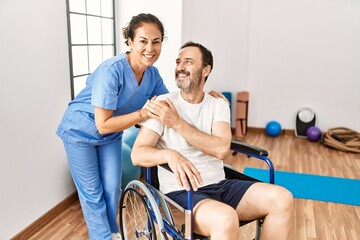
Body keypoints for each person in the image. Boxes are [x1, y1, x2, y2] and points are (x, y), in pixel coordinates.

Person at [56, 13, 226, 240]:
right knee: (93, 194)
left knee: (112, 190)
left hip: (109, 136)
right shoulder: (112, 71)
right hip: (80, 132)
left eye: (156, 42)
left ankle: (113, 233)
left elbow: (172, 102)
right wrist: (142, 113)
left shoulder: (152, 75)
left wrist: (207, 96)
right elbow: (103, 124)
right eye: (143, 41)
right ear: (129, 41)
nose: (150, 48)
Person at [131, 41, 294, 239]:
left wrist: (177, 122)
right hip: (182, 193)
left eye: (188, 62)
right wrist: (169, 154)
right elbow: (137, 153)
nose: (180, 67)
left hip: (221, 185)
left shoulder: (218, 104)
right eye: (178, 62)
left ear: (206, 70)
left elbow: (221, 149)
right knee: (226, 218)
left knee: (282, 198)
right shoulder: (163, 104)